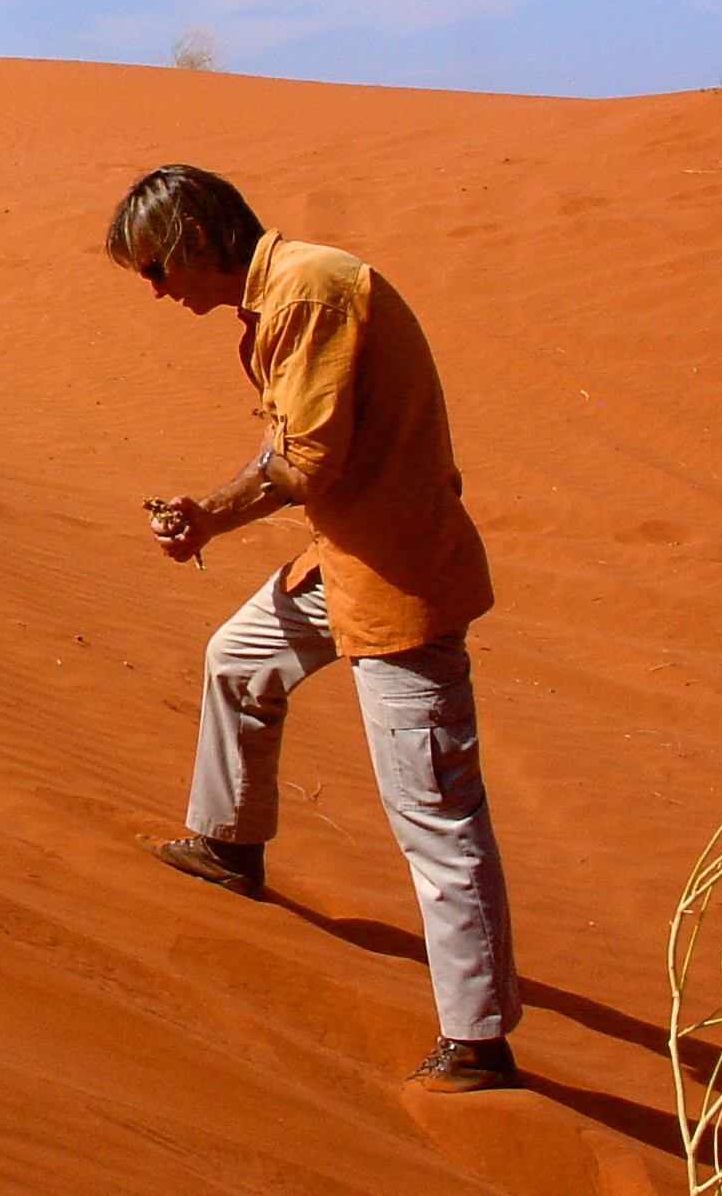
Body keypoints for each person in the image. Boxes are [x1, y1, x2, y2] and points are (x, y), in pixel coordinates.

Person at [106, 164, 522, 1095]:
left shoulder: (309, 292)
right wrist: (211, 509)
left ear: (194, 242)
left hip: (399, 577)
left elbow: (304, 463)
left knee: (433, 809)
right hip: (344, 559)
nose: (157, 291)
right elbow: (296, 445)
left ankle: (479, 1041)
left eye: (155, 269)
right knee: (237, 660)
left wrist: (209, 515)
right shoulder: (281, 296)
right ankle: (228, 843)